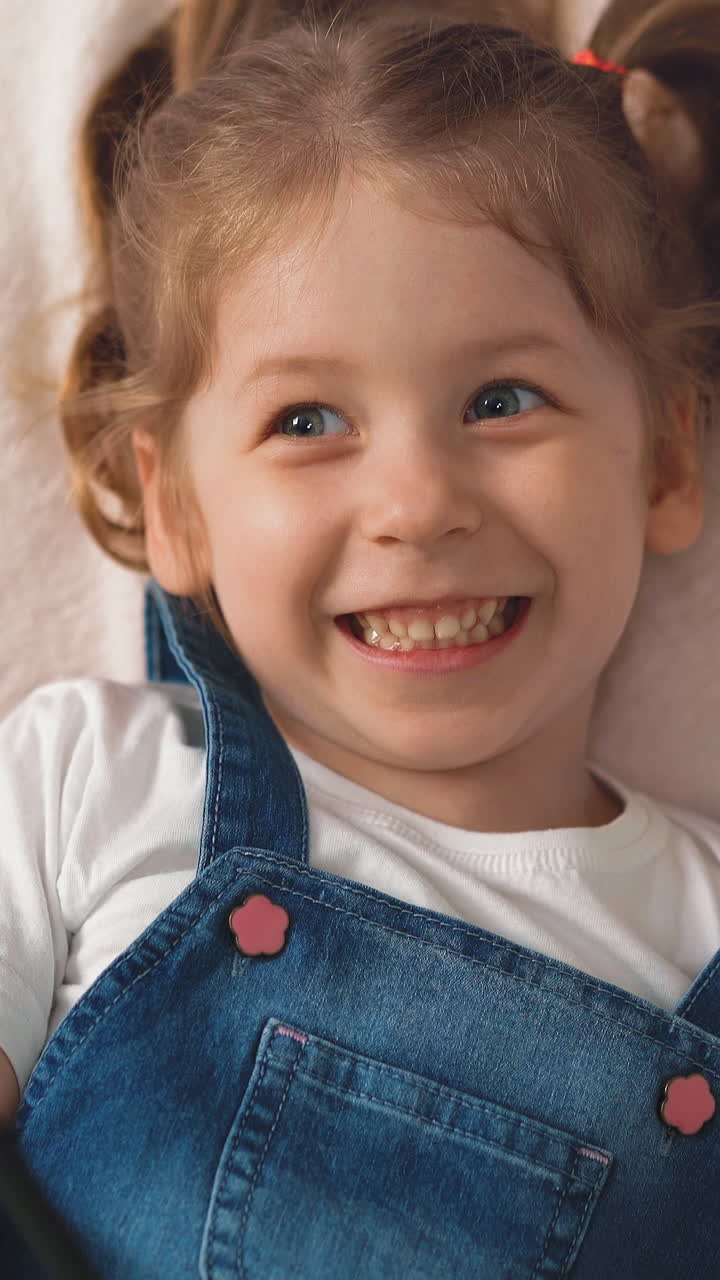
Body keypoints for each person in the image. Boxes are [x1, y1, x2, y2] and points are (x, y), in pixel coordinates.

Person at [2, 0, 720, 1274]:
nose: (417, 504)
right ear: (176, 508)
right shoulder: (83, 780)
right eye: (307, 421)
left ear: (666, 458)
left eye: (503, 399)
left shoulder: (703, 916)